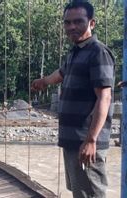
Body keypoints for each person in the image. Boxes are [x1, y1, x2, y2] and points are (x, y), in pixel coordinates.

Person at [31, 1, 115, 198]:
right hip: (73, 141)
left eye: (78, 21)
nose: (72, 27)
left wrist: (91, 140)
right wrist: (44, 81)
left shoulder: (98, 53)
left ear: (92, 23)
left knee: (91, 194)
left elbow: (104, 97)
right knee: (80, 193)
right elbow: (60, 74)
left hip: (85, 142)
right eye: (67, 23)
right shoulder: (76, 52)